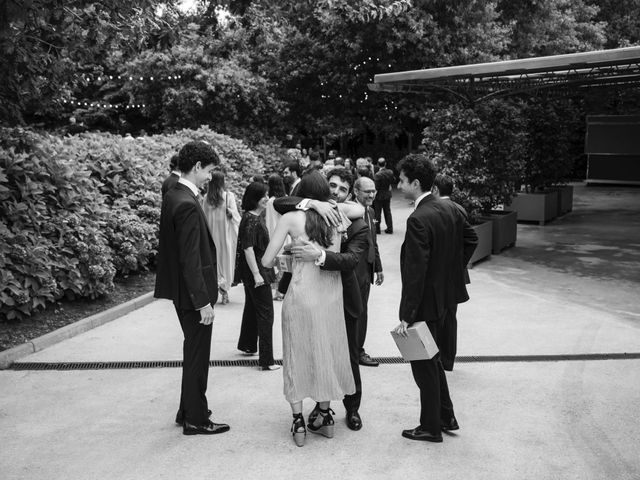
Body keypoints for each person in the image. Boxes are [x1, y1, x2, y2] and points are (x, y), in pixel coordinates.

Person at [262, 171, 362, 447]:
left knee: (296, 355)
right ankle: (326, 417)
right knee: (325, 354)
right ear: (323, 194)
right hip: (331, 298)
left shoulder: (291, 218)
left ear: (301, 192)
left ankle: (298, 421)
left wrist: (290, 254)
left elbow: (267, 260)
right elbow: (360, 208)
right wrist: (319, 204)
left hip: (301, 295)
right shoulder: (338, 215)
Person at [392, 154, 477, 443]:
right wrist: (451, 275)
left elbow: (416, 273)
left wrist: (407, 314)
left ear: (415, 183)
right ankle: (445, 415)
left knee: (424, 366)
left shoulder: (418, 218)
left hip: (425, 305)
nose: (399, 185)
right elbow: (470, 240)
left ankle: (430, 426)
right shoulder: (450, 209)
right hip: (445, 300)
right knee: (434, 361)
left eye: (402, 180)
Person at [154, 141, 230, 436]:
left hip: (183, 293)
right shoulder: (185, 202)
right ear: (197, 167)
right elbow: (190, 259)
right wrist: (203, 302)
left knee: (193, 353)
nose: (211, 177)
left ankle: (188, 410)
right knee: (198, 356)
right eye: (210, 171)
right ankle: (196, 419)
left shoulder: (175, 192)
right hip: (193, 296)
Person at [235, 181, 279, 371]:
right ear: (255, 199)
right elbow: (248, 248)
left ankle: (248, 344)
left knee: (252, 309)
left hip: (257, 270)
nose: (267, 199)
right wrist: (256, 275)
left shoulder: (252, 216)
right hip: (257, 272)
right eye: (264, 196)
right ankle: (267, 360)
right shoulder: (251, 219)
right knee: (266, 314)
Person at [432, 173, 473, 370]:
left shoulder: (440, 209)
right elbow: (470, 240)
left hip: (445, 273)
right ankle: (448, 360)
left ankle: (439, 358)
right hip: (457, 274)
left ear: (435, 190)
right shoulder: (459, 209)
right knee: (450, 318)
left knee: (439, 317)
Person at [352, 176, 383, 367]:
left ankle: (358, 350)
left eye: (373, 191)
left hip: (367, 271)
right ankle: (355, 352)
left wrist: (378, 267)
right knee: (355, 312)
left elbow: (373, 241)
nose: (371, 195)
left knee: (363, 312)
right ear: (356, 192)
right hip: (352, 272)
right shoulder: (349, 212)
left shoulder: (370, 211)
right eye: (367, 191)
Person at [202, 171, 241, 305]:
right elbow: (236, 217)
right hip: (225, 236)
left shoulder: (206, 197)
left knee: (214, 262)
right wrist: (229, 212)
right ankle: (224, 290)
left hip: (211, 236)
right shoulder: (228, 196)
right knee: (225, 261)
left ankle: (217, 288)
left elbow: (203, 217)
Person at [265, 174, 287, 301]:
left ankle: (278, 291)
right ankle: (282, 290)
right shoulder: (286, 198)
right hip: (286, 234)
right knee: (284, 263)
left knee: (277, 263)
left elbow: (269, 221)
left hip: (274, 234)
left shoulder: (270, 201)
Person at [373, 157, 395, 234]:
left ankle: (377, 229)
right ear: (385, 164)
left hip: (379, 196)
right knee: (387, 212)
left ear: (378, 165)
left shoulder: (377, 175)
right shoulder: (390, 172)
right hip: (387, 194)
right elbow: (393, 180)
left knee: (377, 213)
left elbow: (376, 187)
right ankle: (390, 228)